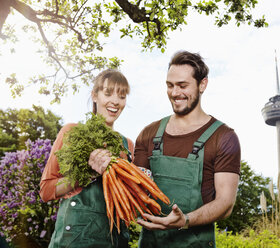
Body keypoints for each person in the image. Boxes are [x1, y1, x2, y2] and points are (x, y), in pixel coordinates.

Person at [134, 51, 241, 247]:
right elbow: (136, 188)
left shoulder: (224, 137)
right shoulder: (148, 134)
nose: (175, 93)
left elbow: (225, 204)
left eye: (183, 85)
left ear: (203, 85)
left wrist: (185, 220)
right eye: (170, 85)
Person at [39, 69, 133, 248]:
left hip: (115, 241)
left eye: (121, 96)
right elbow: (46, 190)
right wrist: (86, 174)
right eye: (108, 93)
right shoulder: (71, 132)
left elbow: (129, 203)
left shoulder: (127, 145)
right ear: (95, 96)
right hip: (72, 241)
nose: (115, 101)